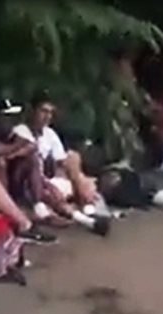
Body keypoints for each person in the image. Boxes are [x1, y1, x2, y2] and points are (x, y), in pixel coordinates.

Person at [13, 92, 110, 236]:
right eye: (43, 111)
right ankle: (86, 218)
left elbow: (62, 162)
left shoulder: (50, 133)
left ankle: (87, 205)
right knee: (50, 188)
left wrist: (79, 178)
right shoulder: (21, 131)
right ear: (32, 111)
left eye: (51, 113)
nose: (47, 117)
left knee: (74, 157)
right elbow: (28, 167)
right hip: (29, 183)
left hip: (49, 177)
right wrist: (50, 183)